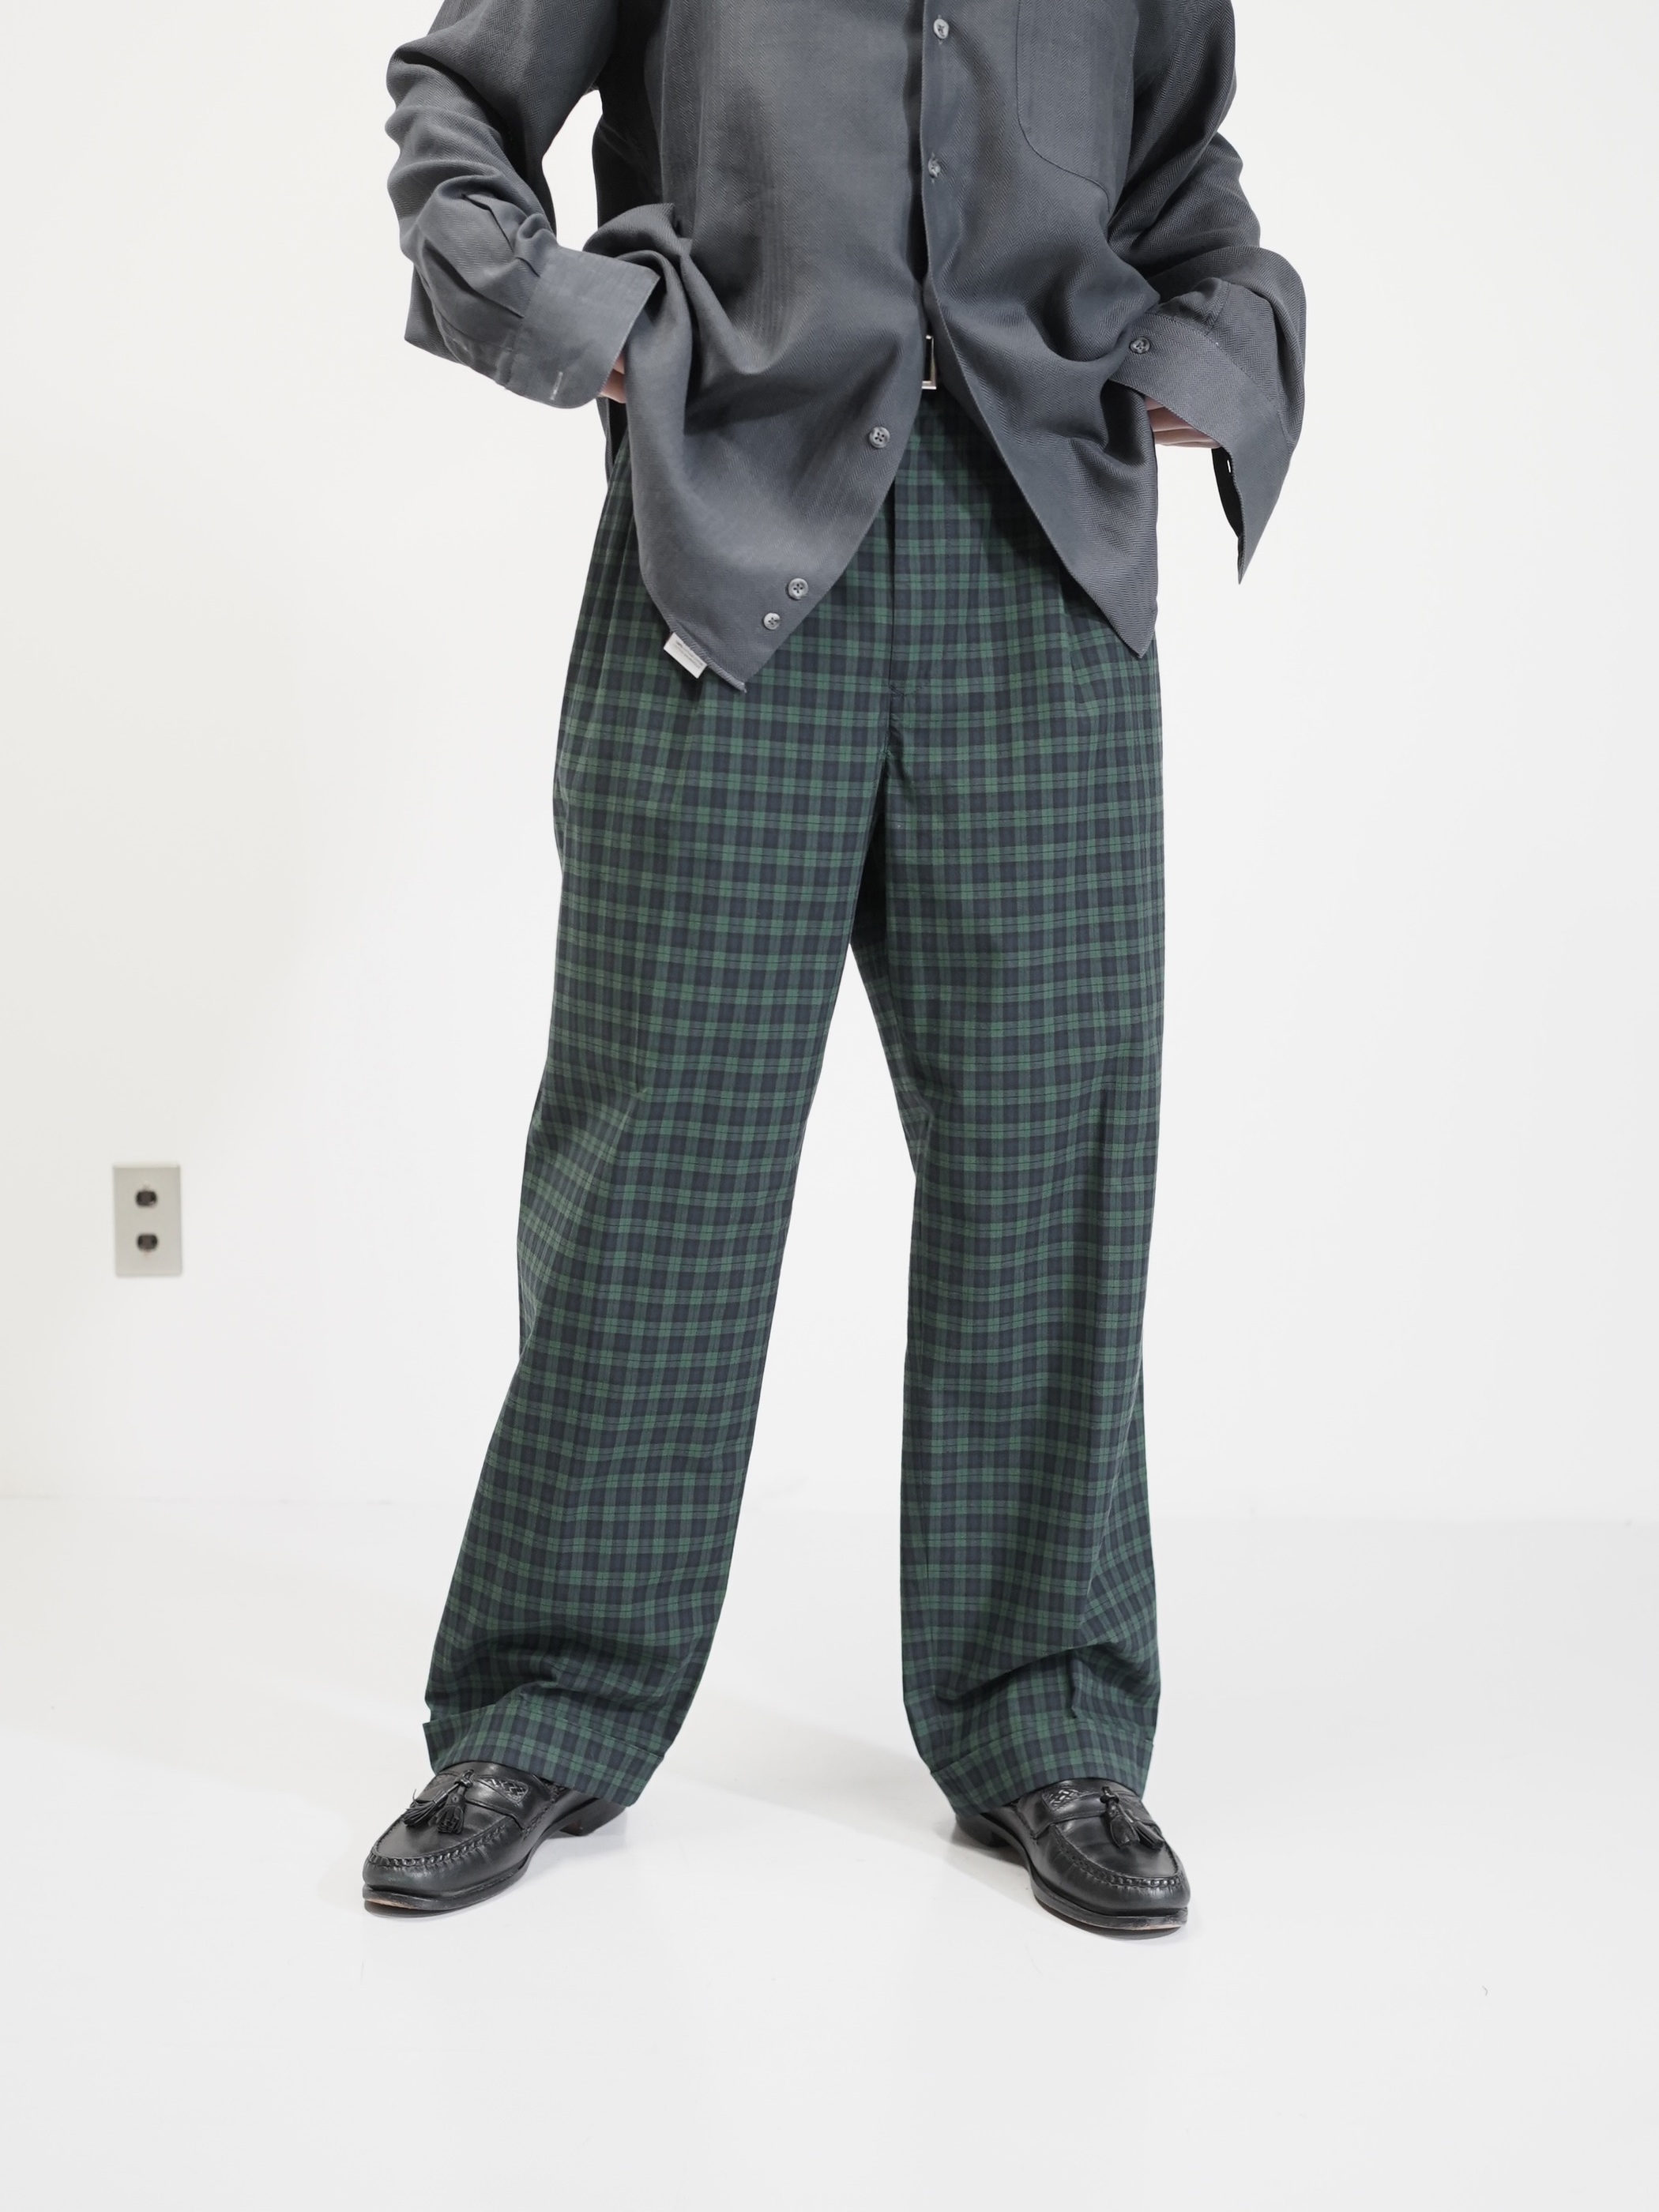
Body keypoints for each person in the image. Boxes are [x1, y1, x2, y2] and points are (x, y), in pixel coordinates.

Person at [363, 0, 1304, 1932]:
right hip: (723, 542)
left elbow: (1185, 187)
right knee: (655, 1155)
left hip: (1040, 568)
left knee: (1051, 1160)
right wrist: (580, 323)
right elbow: (458, 100)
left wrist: (1208, 358)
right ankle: (544, 1705)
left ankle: (1051, 1720)